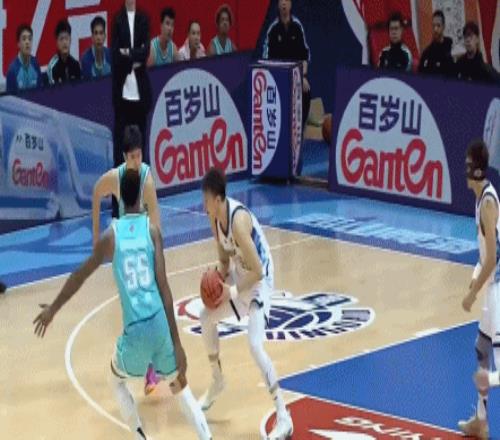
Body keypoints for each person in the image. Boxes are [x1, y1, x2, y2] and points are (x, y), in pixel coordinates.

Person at [34, 168, 213, 440]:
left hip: (135, 330)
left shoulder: (111, 237)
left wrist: (53, 309)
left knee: (115, 381)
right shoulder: (152, 231)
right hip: (159, 323)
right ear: (141, 196)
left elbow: (79, 276)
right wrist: (177, 343)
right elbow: (164, 289)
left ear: (118, 198)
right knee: (180, 385)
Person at [199, 168, 293, 439]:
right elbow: (224, 261)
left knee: (254, 344)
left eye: (206, 200)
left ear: (218, 199)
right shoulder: (214, 220)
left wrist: (229, 291)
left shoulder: (238, 222)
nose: (203, 205)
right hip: (242, 275)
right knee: (206, 317)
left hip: (260, 281)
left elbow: (258, 271)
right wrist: (216, 278)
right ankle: (217, 380)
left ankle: (284, 417)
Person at [92, 125, 161, 395]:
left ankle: (151, 370)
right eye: (132, 157)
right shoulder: (115, 178)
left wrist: (157, 257)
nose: (136, 161)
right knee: (132, 309)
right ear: (124, 157)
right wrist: (95, 237)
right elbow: (96, 193)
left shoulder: (147, 180)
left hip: (144, 252)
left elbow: (156, 224)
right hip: (125, 255)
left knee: (150, 308)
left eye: (139, 156)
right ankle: (142, 363)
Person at [458, 140, 499, 439]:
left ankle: (487, 386)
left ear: (474, 169)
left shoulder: (487, 204)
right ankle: (481, 422)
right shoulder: (480, 199)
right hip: (491, 286)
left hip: (499, 289)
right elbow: (484, 258)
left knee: (494, 365)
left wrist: (472, 294)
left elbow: (494, 259)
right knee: (482, 349)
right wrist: (475, 279)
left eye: (467, 163)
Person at [111, 0, 152, 217]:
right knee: (121, 153)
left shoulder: (143, 20)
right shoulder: (117, 21)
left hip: (140, 97)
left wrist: (130, 53)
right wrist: (131, 58)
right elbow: (116, 57)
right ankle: (118, 206)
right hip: (122, 97)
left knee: (140, 153)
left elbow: (145, 53)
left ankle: (142, 201)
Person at [262, 0, 311, 175]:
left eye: (286, 1)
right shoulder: (272, 30)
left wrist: (302, 77)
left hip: (296, 80)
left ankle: (297, 155)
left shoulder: (297, 27)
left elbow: (305, 57)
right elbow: (265, 61)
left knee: (307, 92)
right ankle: (276, 160)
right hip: (277, 82)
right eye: (280, 1)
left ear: (290, 4)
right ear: (278, 5)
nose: (283, 4)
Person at [6, 24, 42, 93]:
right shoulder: (12, 70)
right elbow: (10, 98)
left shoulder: (35, 64)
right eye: (24, 39)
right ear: (18, 44)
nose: (27, 42)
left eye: (30, 39)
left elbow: (40, 92)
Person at [418, 10, 453, 76]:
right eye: (433, 26)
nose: (435, 29)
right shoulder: (426, 53)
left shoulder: (450, 50)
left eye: (438, 25)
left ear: (443, 27)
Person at [47, 19, 81, 85]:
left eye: (66, 38)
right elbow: (53, 91)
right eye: (61, 39)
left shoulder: (76, 64)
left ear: (70, 40)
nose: (64, 42)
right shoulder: (52, 67)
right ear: (57, 43)